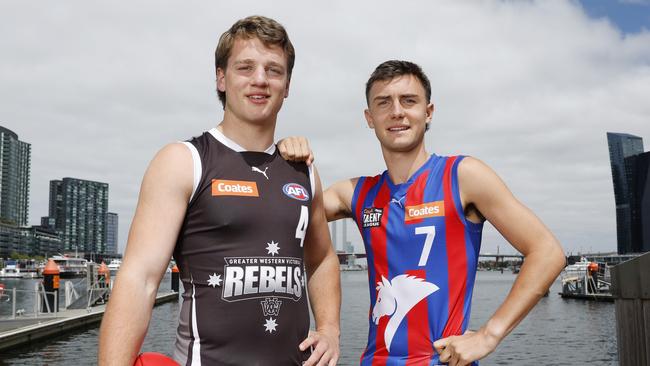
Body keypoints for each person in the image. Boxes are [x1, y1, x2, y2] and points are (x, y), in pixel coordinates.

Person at [279, 60, 566, 365]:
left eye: (409, 101)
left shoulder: (463, 176)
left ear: (428, 112)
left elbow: (547, 252)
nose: (397, 111)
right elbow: (284, 207)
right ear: (369, 118)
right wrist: (286, 159)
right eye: (383, 103)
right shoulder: (357, 193)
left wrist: (488, 335)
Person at [98, 16, 341, 366]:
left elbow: (321, 258)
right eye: (245, 67)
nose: (260, 79)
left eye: (274, 70)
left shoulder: (304, 171)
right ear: (221, 78)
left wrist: (330, 329)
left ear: (287, 86)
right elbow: (141, 280)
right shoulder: (184, 161)